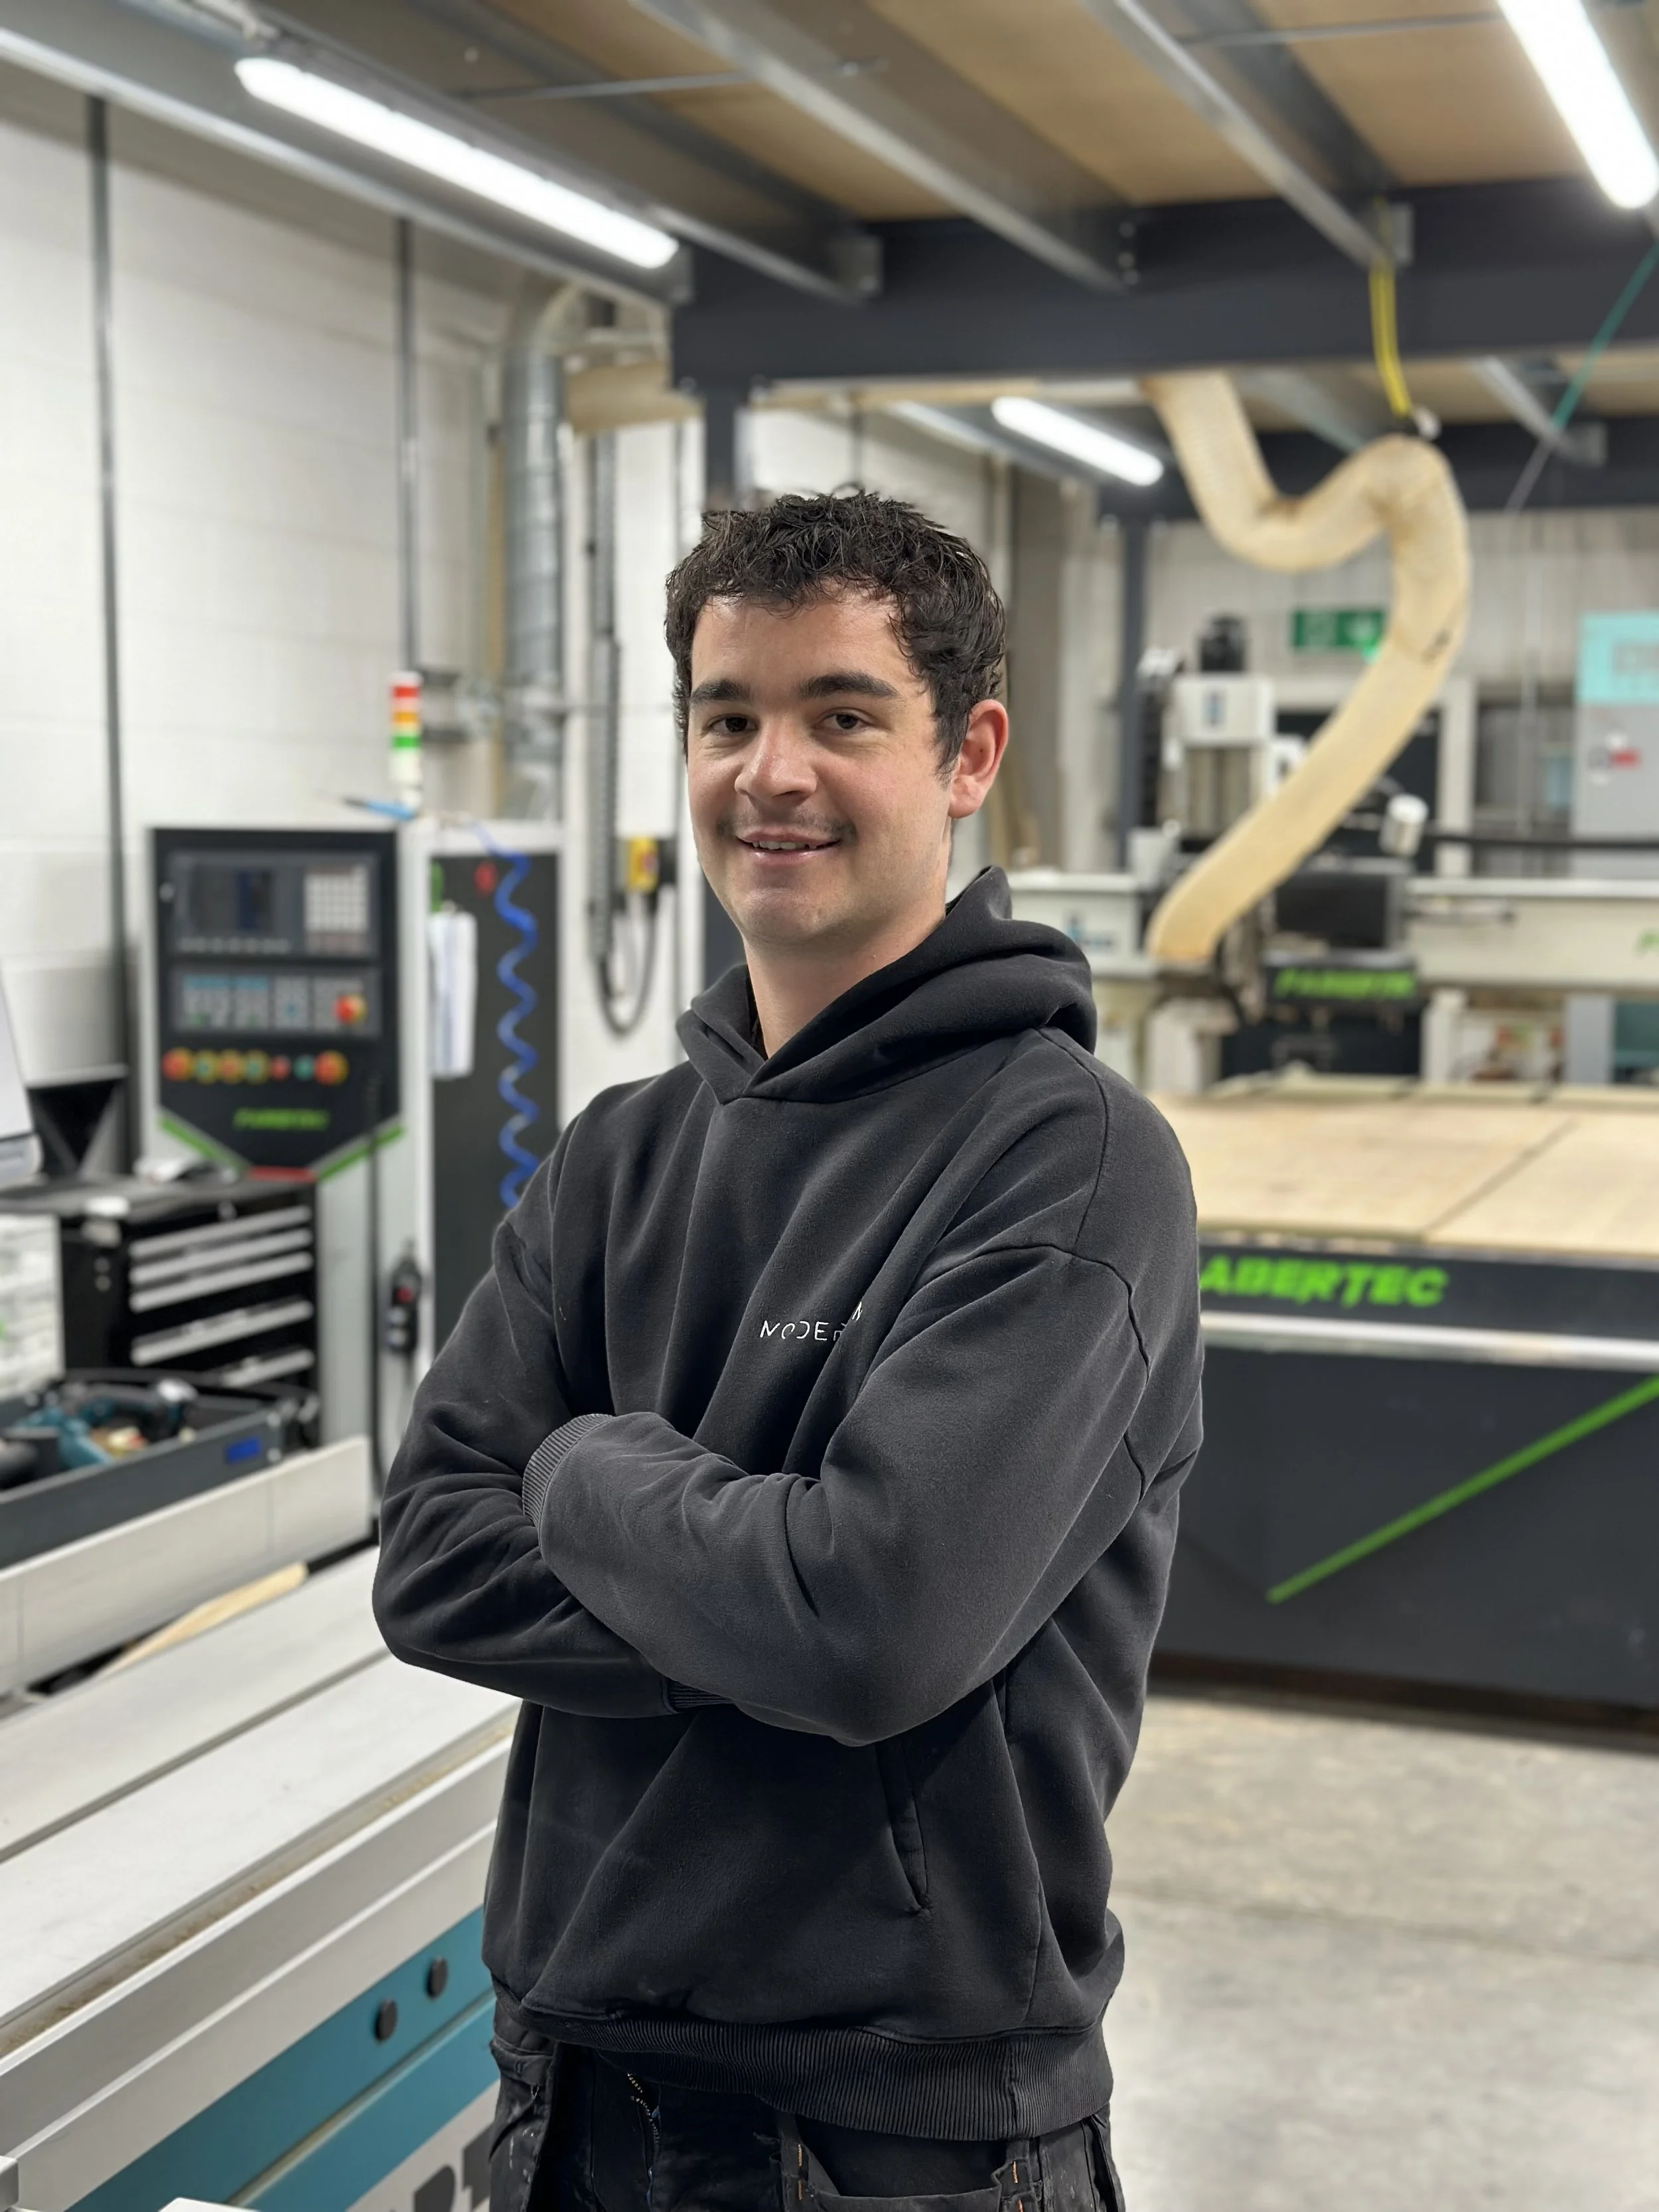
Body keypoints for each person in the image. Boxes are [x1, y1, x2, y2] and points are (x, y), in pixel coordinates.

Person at [374, 489, 1203, 2212]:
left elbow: (872, 1616)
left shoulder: (1069, 1161)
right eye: (726, 717)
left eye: (840, 714)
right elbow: (433, 1561)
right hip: (580, 2077)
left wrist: (592, 1466)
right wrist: (754, 1574)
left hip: (898, 2129)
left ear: (967, 752)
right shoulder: (618, 1153)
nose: (771, 771)